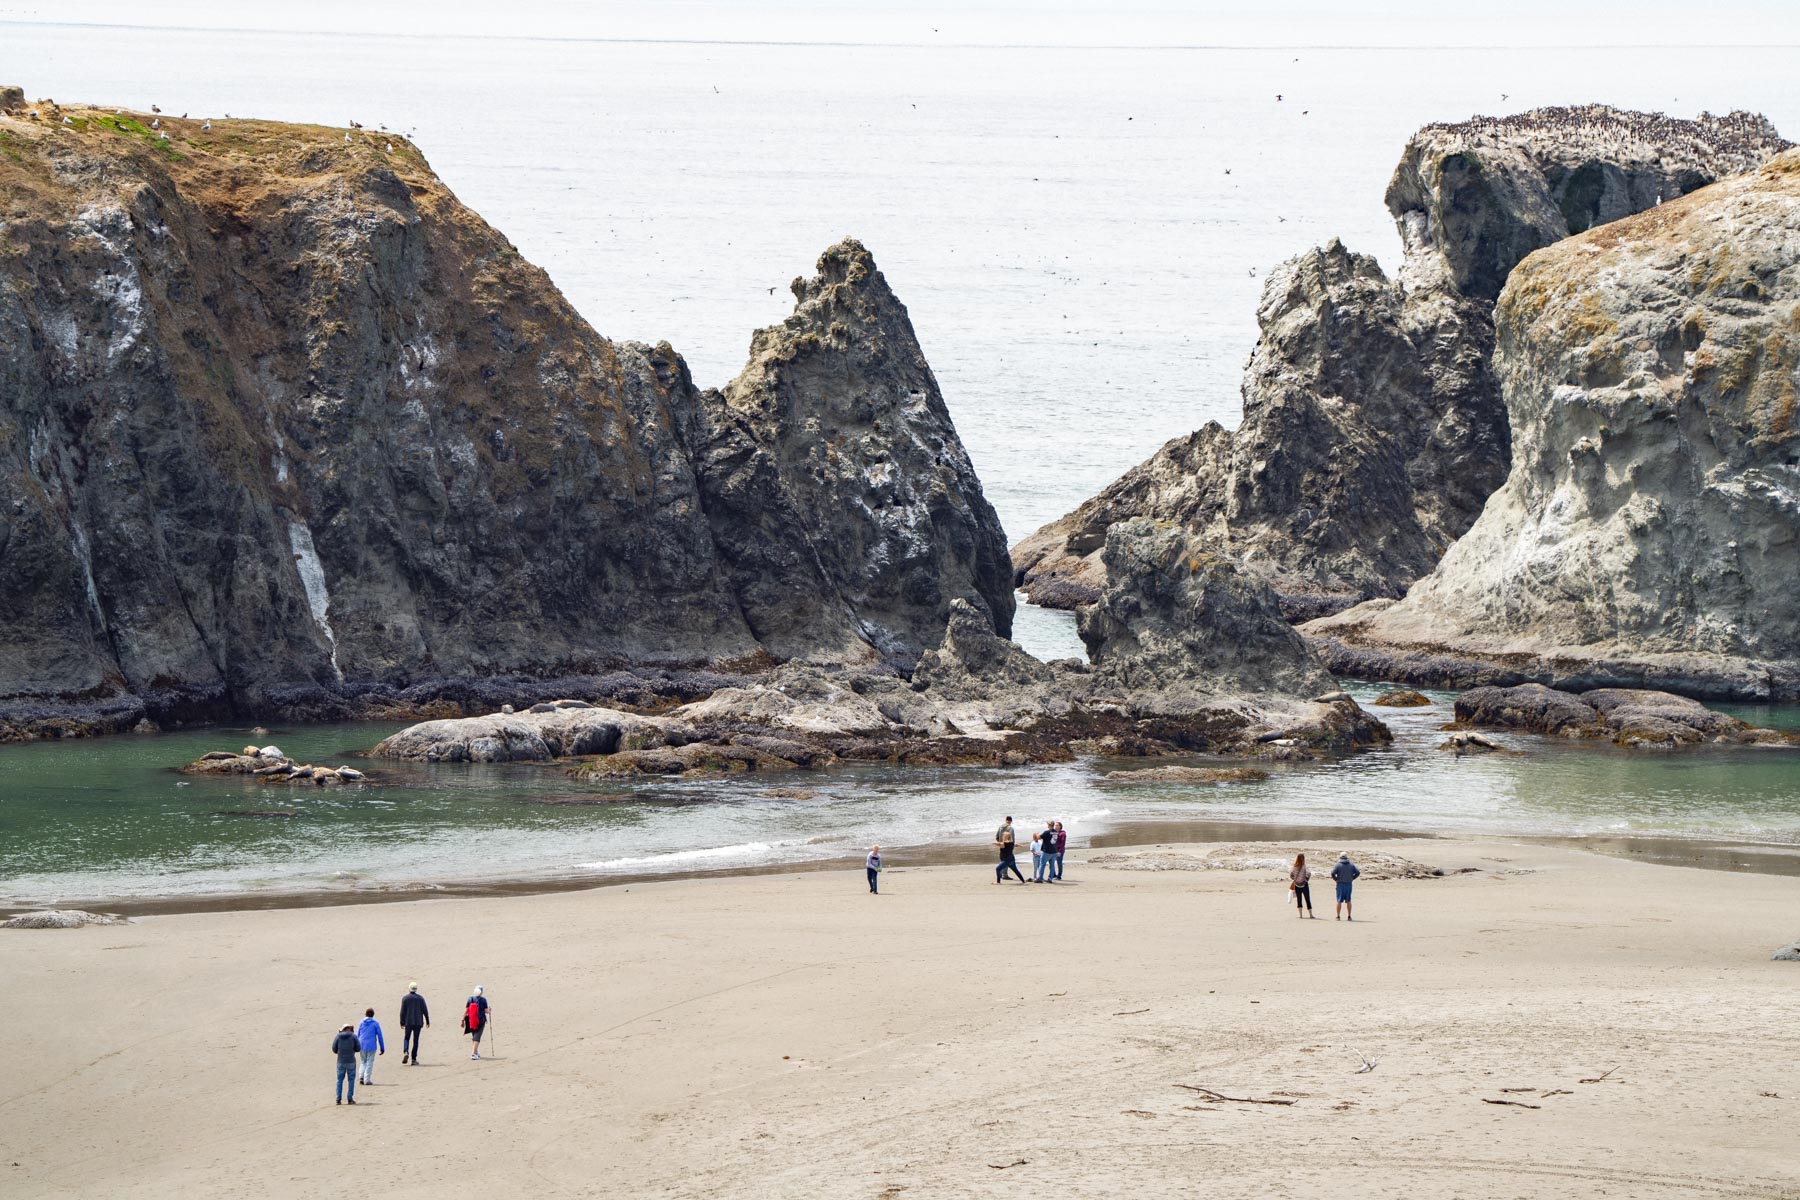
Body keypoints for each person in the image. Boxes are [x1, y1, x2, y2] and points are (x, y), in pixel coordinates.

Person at [399, 982, 429, 1064]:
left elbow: (402, 1012)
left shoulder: (405, 998)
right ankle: (413, 1059)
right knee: (416, 1040)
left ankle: (406, 1051)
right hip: (418, 1022)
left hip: (408, 1022)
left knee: (406, 1038)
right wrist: (427, 1020)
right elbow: (425, 1010)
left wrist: (401, 1022)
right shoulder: (420, 998)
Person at [356, 1007, 385, 1084]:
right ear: (373, 1015)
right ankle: (367, 1079)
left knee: (363, 1061)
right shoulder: (375, 1024)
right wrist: (382, 1047)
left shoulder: (361, 1023)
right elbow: (380, 1036)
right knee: (369, 1062)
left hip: (361, 1044)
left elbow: (357, 1034)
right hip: (371, 1045)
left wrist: (356, 1045)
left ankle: (361, 1076)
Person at [332, 1023, 359, 1105]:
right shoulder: (353, 1036)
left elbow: (334, 1049)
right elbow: (358, 1048)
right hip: (351, 1060)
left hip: (340, 1061)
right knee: (351, 1080)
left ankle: (338, 1099)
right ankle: (350, 1098)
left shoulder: (338, 1036)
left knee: (339, 1080)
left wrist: (340, 1052)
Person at [994, 817, 1024, 884]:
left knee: (1002, 861)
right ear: (1011, 821)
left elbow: (996, 836)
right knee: (1012, 866)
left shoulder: (1000, 827)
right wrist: (1013, 845)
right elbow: (1012, 838)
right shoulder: (1010, 828)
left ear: (1005, 820)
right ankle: (1005, 875)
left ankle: (1001, 876)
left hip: (1003, 847)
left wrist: (999, 842)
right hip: (1009, 848)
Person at [1331, 852, 1361, 920]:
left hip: (1340, 884)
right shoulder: (1351, 865)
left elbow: (1332, 873)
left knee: (1339, 901)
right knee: (1348, 900)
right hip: (1348, 884)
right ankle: (1349, 916)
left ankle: (1338, 916)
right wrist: (1352, 878)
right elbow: (1358, 872)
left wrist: (1336, 879)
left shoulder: (1338, 865)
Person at [464, 985, 490, 1059]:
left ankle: (476, 1051)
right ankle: (473, 1053)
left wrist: (462, 1019)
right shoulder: (483, 1000)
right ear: (481, 992)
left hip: (471, 1020)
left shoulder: (470, 999)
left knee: (474, 1036)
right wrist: (489, 1010)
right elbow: (486, 1011)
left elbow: (466, 1010)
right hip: (480, 1020)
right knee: (477, 1037)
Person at [1289, 852, 1314, 918]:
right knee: (1307, 899)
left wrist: (1295, 879)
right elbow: (1309, 873)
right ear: (1303, 859)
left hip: (1297, 885)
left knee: (1299, 900)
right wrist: (1306, 879)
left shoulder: (1294, 867)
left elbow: (1291, 875)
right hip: (1304, 885)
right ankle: (1311, 915)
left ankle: (1301, 915)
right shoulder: (1305, 866)